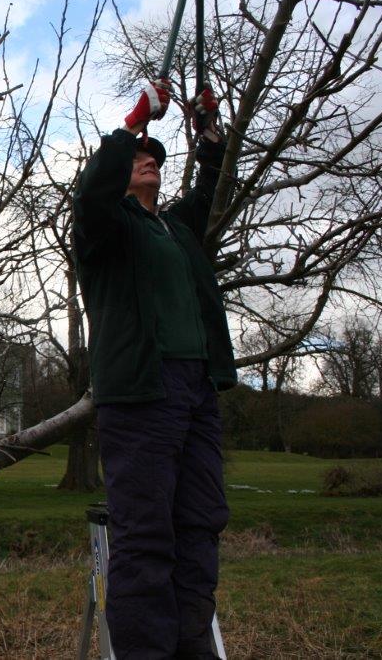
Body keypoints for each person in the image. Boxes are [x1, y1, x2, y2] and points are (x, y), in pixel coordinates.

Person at [71, 79, 238, 660]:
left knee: (200, 524)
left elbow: (215, 188)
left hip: (196, 390)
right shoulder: (106, 229)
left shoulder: (177, 229)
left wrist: (208, 133)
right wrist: (133, 121)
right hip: (143, 389)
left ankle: (194, 648)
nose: (151, 162)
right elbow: (91, 193)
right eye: (141, 156)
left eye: (157, 160)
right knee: (145, 535)